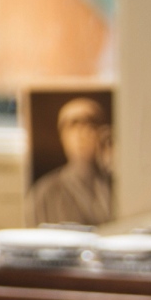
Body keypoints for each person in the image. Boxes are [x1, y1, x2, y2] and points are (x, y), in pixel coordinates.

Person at [25, 93, 115, 228]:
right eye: (73, 125)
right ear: (62, 136)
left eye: (90, 124)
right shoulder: (43, 194)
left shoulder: (114, 187)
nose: (81, 133)